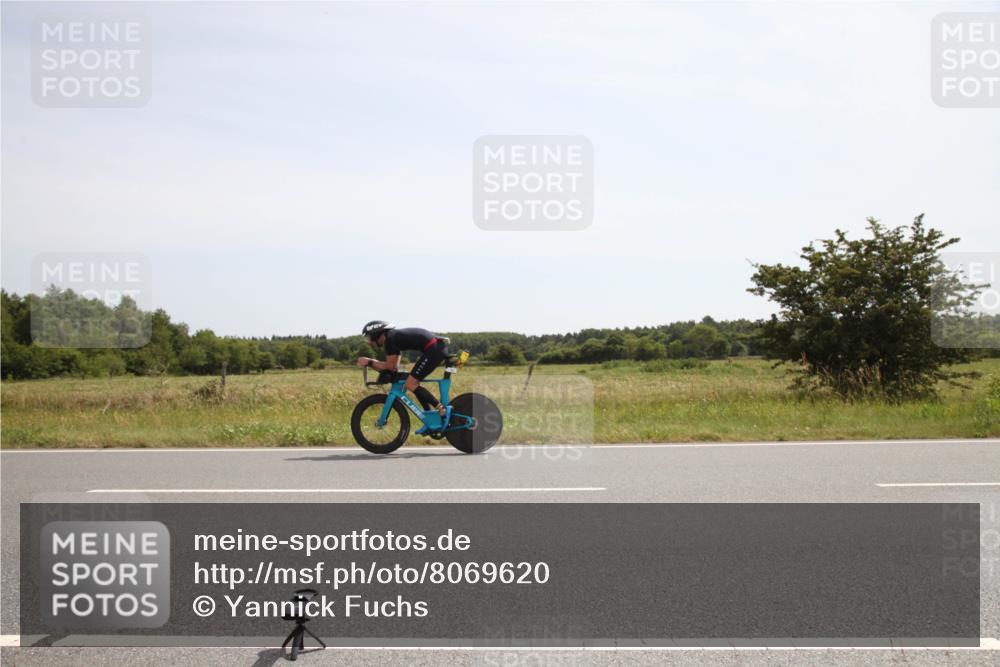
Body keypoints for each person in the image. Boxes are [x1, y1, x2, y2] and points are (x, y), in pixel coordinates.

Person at [356, 320, 450, 418]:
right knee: (414, 383)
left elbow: (390, 366)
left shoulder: (390, 339)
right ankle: (430, 417)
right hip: (436, 348)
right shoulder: (393, 337)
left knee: (410, 383)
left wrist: (370, 362)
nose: (370, 342)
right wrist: (373, 363)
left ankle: (441, 408)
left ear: (376, 334)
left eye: (369, 338)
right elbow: (393, 367)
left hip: (434, 349)